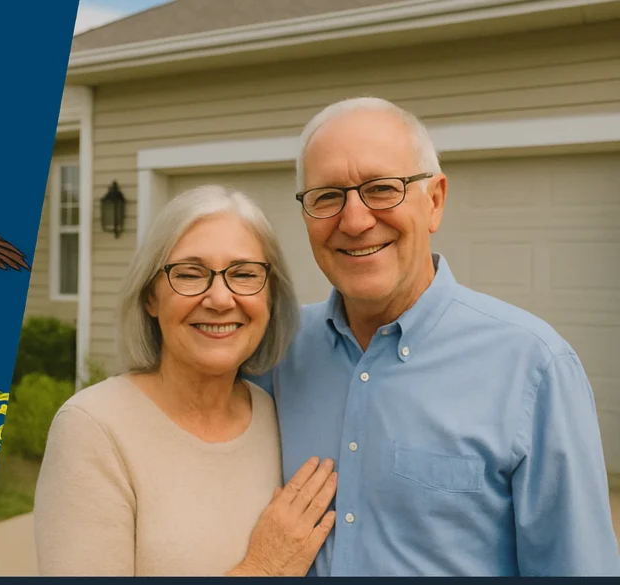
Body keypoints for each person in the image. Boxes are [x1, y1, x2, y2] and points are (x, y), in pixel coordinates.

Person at [249, 96, 620, 576]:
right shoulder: (275, 350)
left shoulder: (533, 367)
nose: (356, 220)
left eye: (382, 189)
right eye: (327, 196)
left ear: (435, 201)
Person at [32, 185, 338, 576]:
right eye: (190, 274)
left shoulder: (274, 413)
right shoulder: (93, 428)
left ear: (270, 297)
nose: (220, 299)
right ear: (151, 297)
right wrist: (263, 569)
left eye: (244, 274)